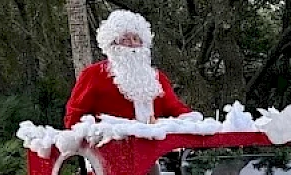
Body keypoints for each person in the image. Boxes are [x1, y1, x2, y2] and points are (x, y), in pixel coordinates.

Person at [64, 10, 194, 128]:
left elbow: (174, 108)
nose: (132, 44)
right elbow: (75, 116)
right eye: (125, 39)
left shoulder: (157, 78)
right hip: (109, 149)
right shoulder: (93, 75)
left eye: (136, 38)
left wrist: (193, 121)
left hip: (157, 149)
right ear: (112, 44)